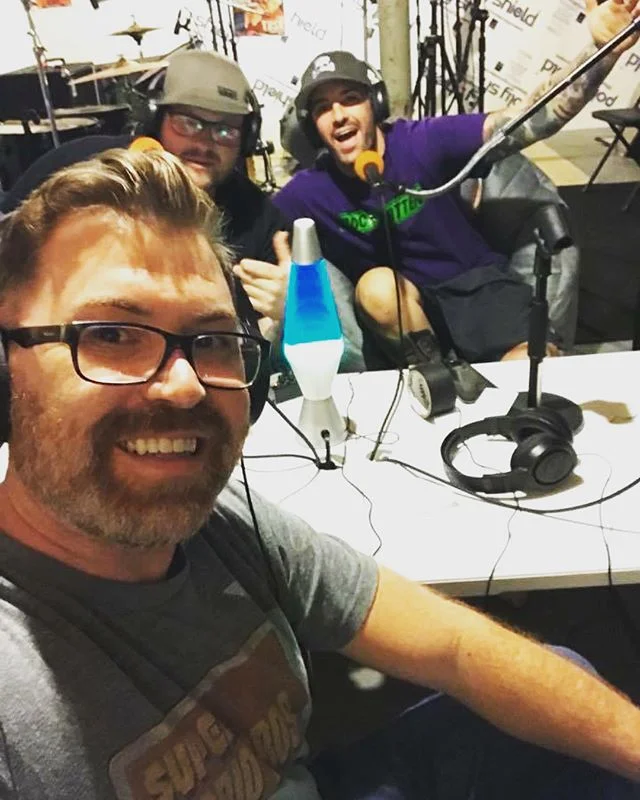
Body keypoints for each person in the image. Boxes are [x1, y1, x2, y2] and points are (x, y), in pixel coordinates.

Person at [0, 147, 639, 798]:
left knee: (568, 691)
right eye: (111, 334)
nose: (187, 385)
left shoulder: (227, 525)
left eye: (212, 340)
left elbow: (453, 647)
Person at [273, 0, 640, 371]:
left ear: (375, 105)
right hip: (408, 316)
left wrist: (601, 51)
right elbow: (254, 224)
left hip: (476, 288)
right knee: (375, 287)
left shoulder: (423, 141)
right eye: (322, 108)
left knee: (528, 371)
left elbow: (529, 119)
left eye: (350, 100)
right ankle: (442, 377)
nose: (338, 116)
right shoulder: (309, 190)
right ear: (313, 127)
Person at [0, 50, 365, 371]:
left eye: (225, 131)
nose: (204, 142)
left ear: (247, 140)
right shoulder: (81, 165)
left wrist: (296, 308)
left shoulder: (255, 214)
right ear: (156, 122)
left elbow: (303, 339)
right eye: (188, 123)